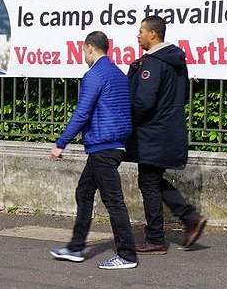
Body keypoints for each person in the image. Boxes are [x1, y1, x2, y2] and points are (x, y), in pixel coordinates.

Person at [49, 31, 138, 270]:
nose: (83, 56)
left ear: (89, 48)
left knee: (113, 201)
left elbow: (82, 113)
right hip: (114, 144)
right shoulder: (118, 74)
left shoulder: (94, 75)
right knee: (84, 192)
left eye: (83, 51)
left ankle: (127, 255)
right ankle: (76, 247)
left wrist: (61, 142)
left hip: (103, 146)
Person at [126, 16, 207, 255]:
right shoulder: (176, 61)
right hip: (169, 129)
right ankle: (189, 218)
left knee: (149, 182)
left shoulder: (153, 63)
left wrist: (128, 121)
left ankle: (156, 239)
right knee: (151, 179)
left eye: (141, 31)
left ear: (153, 34)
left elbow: (144, 101)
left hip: (153, 133)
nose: (137, 35)